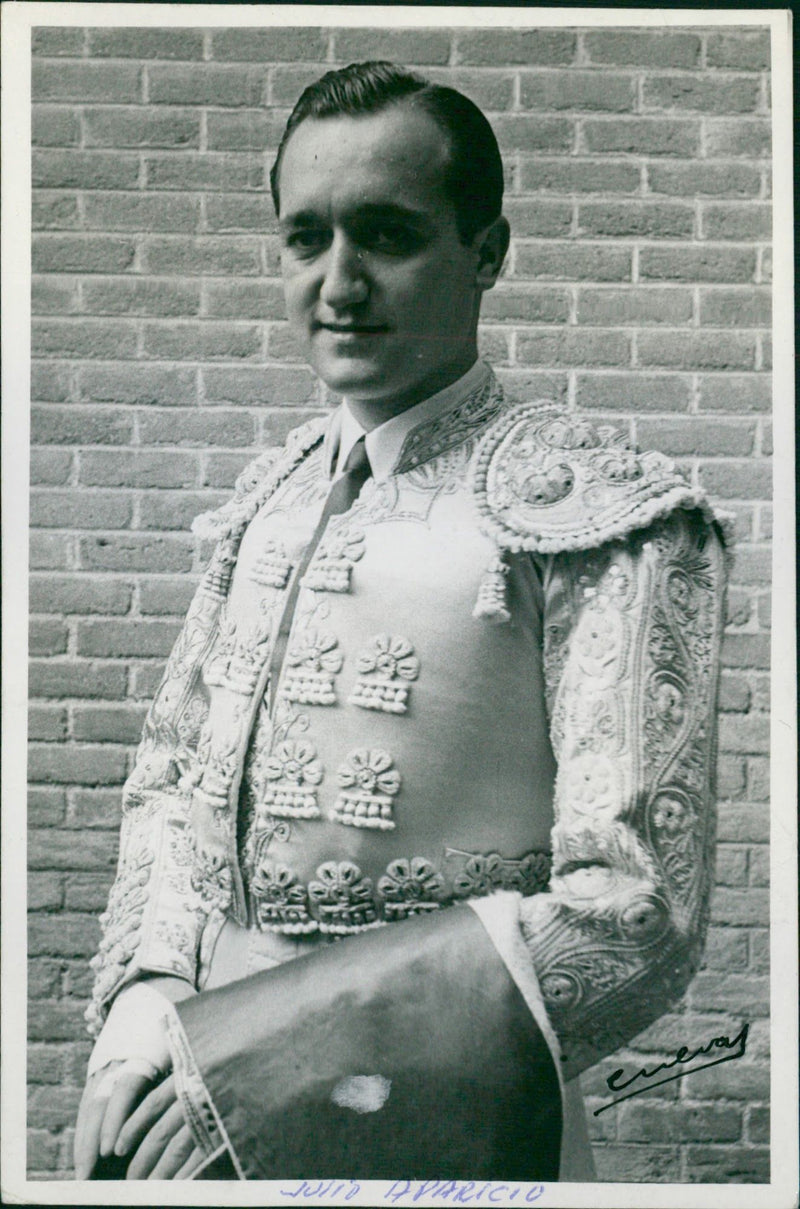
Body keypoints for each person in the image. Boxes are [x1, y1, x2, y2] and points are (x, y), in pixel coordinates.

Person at [74, 61, 729, 1182]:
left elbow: (633, 912)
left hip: (443, 1107)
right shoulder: (262, 502)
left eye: (384, 234)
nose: (338, 283)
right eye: (304, 238)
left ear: (487, 252)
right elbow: (178, 783)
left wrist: (265, 1071)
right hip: (183, 1104)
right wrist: (147, 1001)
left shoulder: (602, 512)